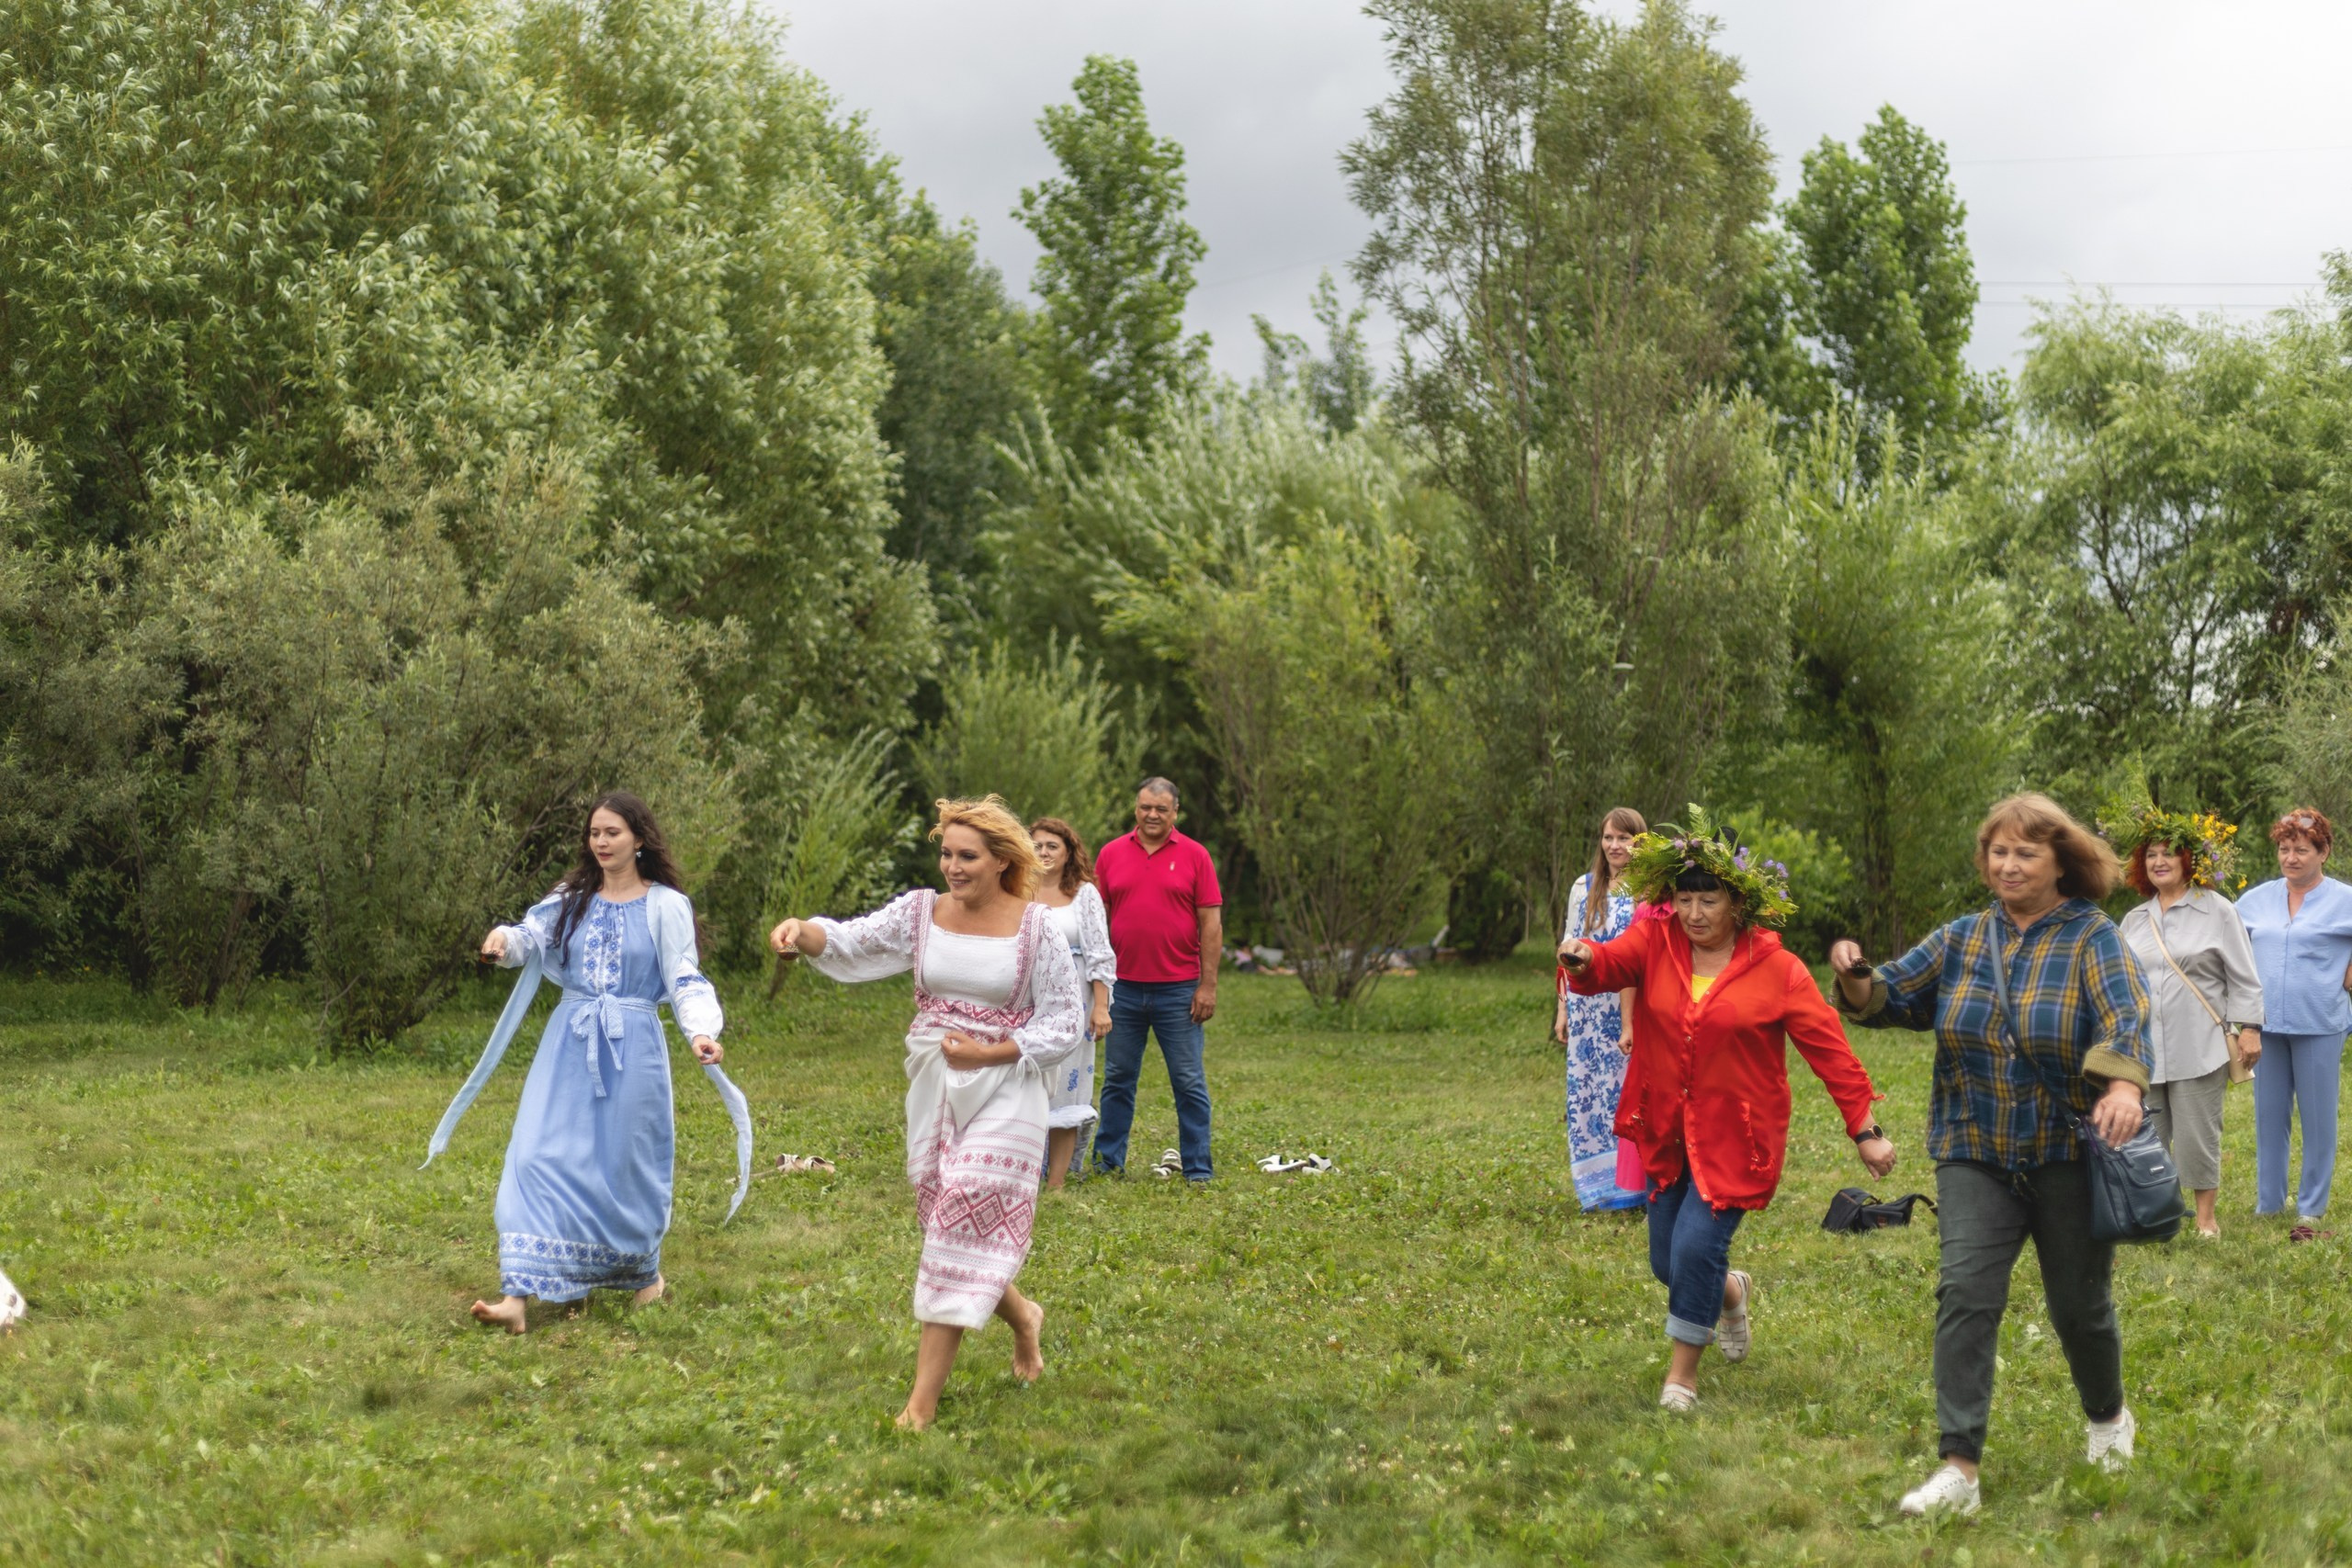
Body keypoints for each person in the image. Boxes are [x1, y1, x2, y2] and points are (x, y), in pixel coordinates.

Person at [1832, 793, 2152, 1518]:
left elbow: (2126, 1014)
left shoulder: (2091, 936)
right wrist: (1854, 974)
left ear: (2061, 861)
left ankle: (2108, 1417)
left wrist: (2126, 1086)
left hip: (2066, 1150)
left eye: (2025, 853)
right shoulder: (1963, 938)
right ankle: (1959, 1471)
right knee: (1966, 1296)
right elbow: (1890, 993)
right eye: (1998, 852)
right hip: (1973, 1147)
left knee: (2080, 1306)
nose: (2008, 865)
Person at [1560, 807, 1895, 1414]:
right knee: (1667, 1260)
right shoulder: (1657, 939)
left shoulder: (1778, 969)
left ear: (1737, 901)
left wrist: (1865, 1130)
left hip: (1736, 1138)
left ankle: (1681, 1377)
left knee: (1694, 1250)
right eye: (1684, 898)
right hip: (1664, 1127)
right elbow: (1610, 963)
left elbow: (1831, 1053)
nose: (1693, 913)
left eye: (1707, 899)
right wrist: (1581, 958)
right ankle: (1731, 1290)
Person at [768, 796, 1083, 1430]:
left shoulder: (1036, 927)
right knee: (951, 1226)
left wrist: (988, 1053)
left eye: (967, 855)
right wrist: (801, 930)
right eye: (946, 853)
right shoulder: (921, 912)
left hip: (1007, 1085)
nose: (953, 866)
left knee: (959, 1223)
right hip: (935, 1086)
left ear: (1001, 861)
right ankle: (1024, 1316)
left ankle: (920, 1406)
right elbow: (854, 938)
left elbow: (1066, 1019)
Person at [452, 793, 735, 1334]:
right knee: (535, 1154)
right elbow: (531, 937)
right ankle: (518, 1293)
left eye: (612, 833)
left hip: (635, 1047)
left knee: (625, 1165)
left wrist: (701, 1031)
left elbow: (683, 975)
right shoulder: (572, 897)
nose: (601, 843)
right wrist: (502, 942)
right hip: (570, 1041)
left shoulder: (665, 905)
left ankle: (641, 1274)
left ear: (639, 838)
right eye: (594, 834)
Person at [2112, 806, 2262, 1239]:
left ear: (2188, 861)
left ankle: (2205, 1219)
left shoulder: (2217, 910)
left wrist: (2250, 1027)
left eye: (2169, 854)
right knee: (2148, 1136)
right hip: (2145, 1048)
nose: (2159, 862)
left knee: (2198, 1135)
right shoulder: (2135, 920)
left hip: (2199, 1044)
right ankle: (2156, 1215)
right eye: (2151, 855)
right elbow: (2121, 981)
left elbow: (2243, 975)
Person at [1091, 778, 1223, 1183]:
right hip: (1123, 989)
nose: (1152, 814)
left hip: (1180, 990)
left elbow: (1211, 924)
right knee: (1117, 1080)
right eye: (1145, 807)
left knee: (1188, 1081)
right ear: (1136, 808)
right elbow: (1096, 922)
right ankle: (1107, 1164)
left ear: (1175, 812)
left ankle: (1198, 1169)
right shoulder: (1111, 854)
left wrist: (1208, 985)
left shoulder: (1196, 856)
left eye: (1161, 809)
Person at [2236, 807, 2352, 1241]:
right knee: (2269, 1116)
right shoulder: (2255, 900)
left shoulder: (2345, 899)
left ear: (2323, 852)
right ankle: (2269, 1203)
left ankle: (2312, 1205)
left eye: (2302, 850)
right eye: (2285, 849)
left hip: (2320, 1022)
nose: (2291, 858)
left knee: (2319, 1118)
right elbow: (2229, 945)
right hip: (2265, 1024)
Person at [1553, 807, 1657, 1213]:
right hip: (1586, 1006)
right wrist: (1563, 1009)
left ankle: (1633, 1186)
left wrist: (1631, 1019)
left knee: (1626, 1096)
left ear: (1640, 842)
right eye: (1609, 838)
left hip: (1628, 1005)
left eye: (1624, 838)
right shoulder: (1585, 886)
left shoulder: (1649, 890)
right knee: (1588, 1093)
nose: (1615, 846)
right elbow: (1567, 945)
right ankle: (1595, 1189)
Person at [1030, 817, 1116, 1188]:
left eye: (1052, 846)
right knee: (1026, 1079)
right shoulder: (1016, 888)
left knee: (1067, 1084)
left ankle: (1058, 1181)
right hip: (1027, 997)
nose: (1044, 852)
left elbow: (1100, 953)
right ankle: (1026, 1172)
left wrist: (1101, 1006)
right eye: (1037, 846)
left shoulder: (1084, 894)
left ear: (1068, 853)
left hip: (1075, 1000)